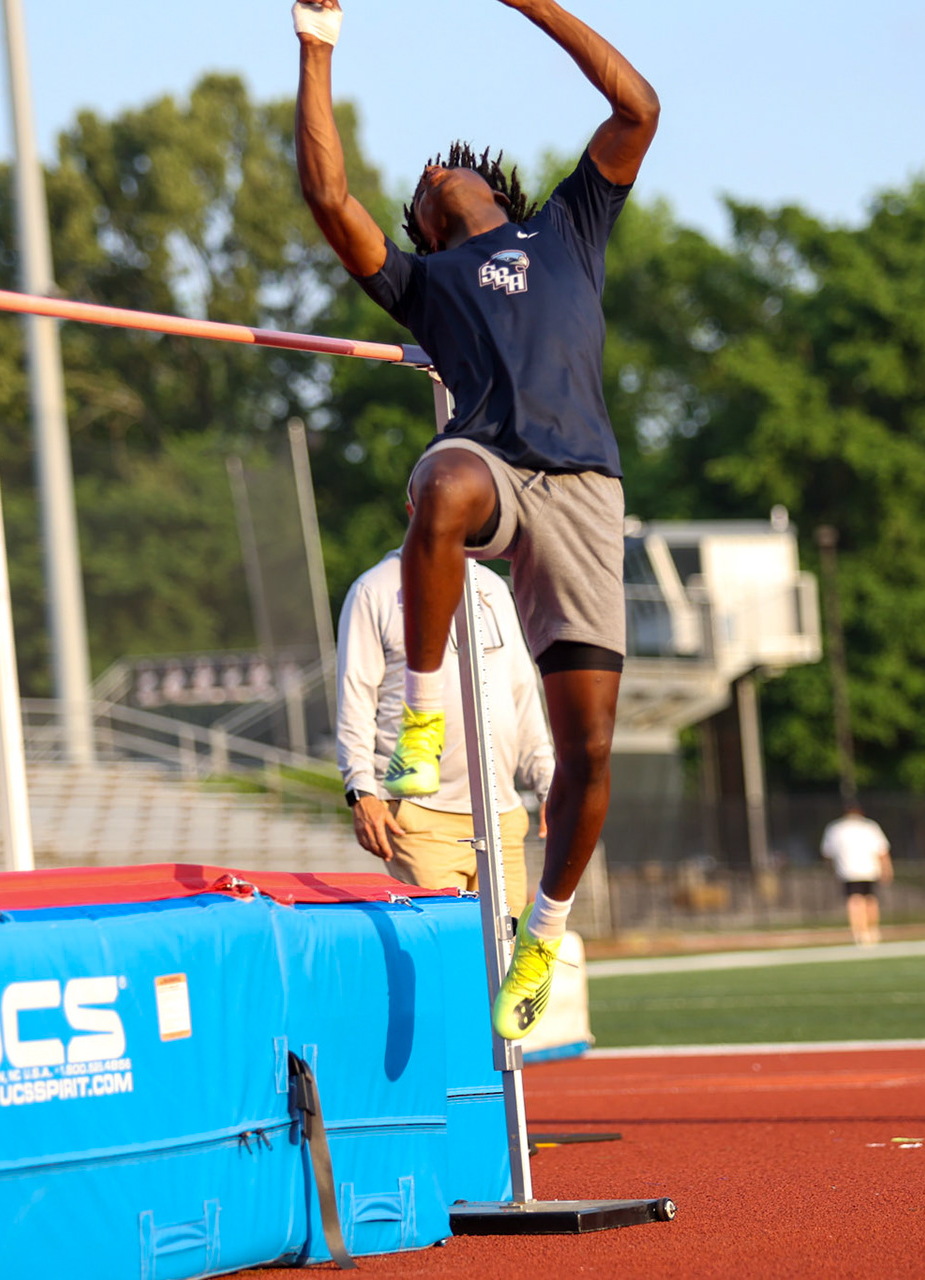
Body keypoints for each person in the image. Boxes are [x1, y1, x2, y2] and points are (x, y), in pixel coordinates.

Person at [292, 0, 658, 1040]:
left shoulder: (570, 225)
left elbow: (638, 105)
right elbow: (327, 192)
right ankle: (418, 716)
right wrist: (317, 44)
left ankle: (544, 929)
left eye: (444, 169)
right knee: (441, 483)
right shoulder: (423, 281)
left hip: (583, 489)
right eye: (418, 185)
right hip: (495, 470)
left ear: (492, 184)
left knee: (589, 751)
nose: (430, 174)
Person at [335, 548, 553, 912]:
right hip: (420, 819)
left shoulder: (492, 586)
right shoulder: (375, 589)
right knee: (443, 957)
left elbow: (522, 694)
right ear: (412, 509)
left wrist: (548, 784)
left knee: (507, 957)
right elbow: (354, 697)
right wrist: (360, 792)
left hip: (502, 816)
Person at [820, 806, 892, 946]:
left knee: (855, 900)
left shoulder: (835, 828)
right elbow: (882, 851)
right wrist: (887, 869)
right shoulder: (869, 827)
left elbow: (827, 854)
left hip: (848, 870)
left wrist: (830, 870)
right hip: (869, 870)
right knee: (869, 899)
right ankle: (872, 930)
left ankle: (859, 932)